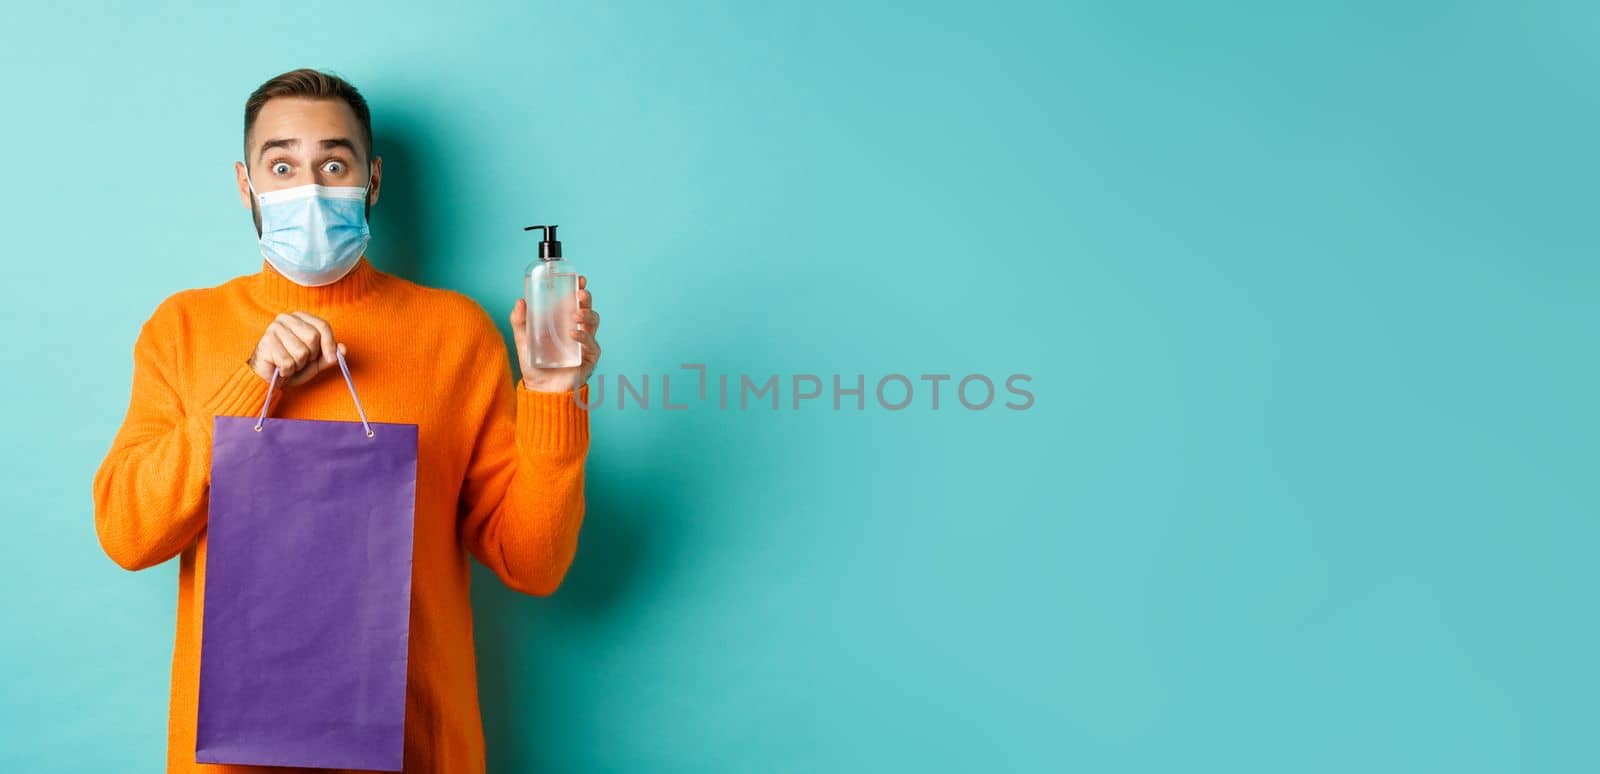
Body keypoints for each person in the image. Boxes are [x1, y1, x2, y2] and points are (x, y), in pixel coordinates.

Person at [91, 67, 602, 772]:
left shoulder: (454, 332)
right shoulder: (184, 329)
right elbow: (127, 533)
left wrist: (550, 392)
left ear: (373, 179)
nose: (310, 187)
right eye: (282, 165)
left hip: (418, 747)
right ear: (246, 185)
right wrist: (250, 385)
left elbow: (534, 564)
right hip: (234, 758)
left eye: (334, 163)